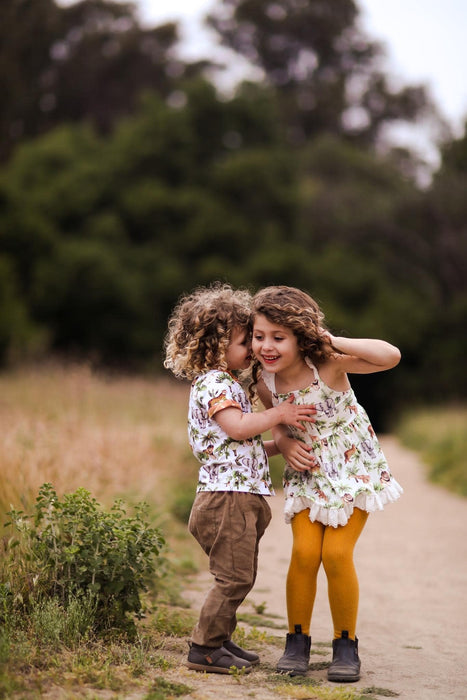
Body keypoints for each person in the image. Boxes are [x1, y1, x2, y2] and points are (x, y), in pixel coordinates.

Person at [251, 285, 403, 682]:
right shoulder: (263, 381)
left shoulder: (329, 363)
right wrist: (283, 442)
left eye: (278, 337)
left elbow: (391, 356)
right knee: (304, 553)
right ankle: (296, 643)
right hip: (307, 474)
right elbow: (278, 422)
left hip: (352, 471)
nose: (266, 346)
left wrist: (332, 339)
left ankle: (345, 645)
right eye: (259, 335)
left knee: (336, 555)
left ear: (301, 337)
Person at [163, 282, 316, 675]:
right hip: (225, 498)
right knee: (233, 578)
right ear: (215, 346)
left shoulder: (228, 382)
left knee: (239, 576)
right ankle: (204, 648)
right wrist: (278, 416)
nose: (252, 349)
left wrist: (276, 447)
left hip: (235, 494)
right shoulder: (215, 383)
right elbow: (237, 428)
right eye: (244, 341)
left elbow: (239, 446)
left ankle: (221, 639)